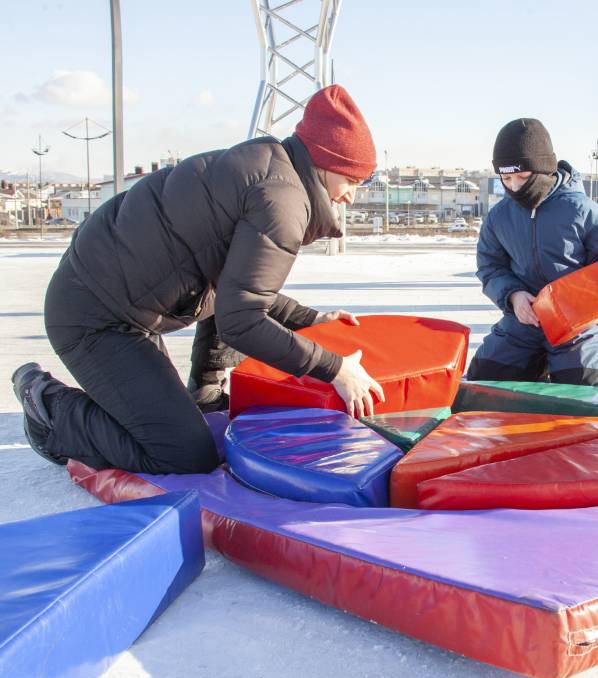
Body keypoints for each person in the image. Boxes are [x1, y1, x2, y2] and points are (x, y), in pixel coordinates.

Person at [12, 84, 385, 475]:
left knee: (174, 413)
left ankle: (204, 394)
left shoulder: (268, 167)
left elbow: (240, 286)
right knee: (182, 453)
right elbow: (241, 321)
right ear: (326, 163)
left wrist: (308, 318)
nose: (351, 198)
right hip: (97, 319)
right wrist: (335, 368)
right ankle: (50, 408)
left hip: (116, 297)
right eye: (352, 181)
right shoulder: (282, 201)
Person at [467, 118, 598, 386]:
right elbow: (490, 267)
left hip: (575, 326)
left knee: (586, 384)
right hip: (523, 322)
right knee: (483, 379)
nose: (514, 187)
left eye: (523, 177)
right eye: (506, 178)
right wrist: (513, 296)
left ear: (544, 169)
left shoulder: (582, 210)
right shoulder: (499, 216)